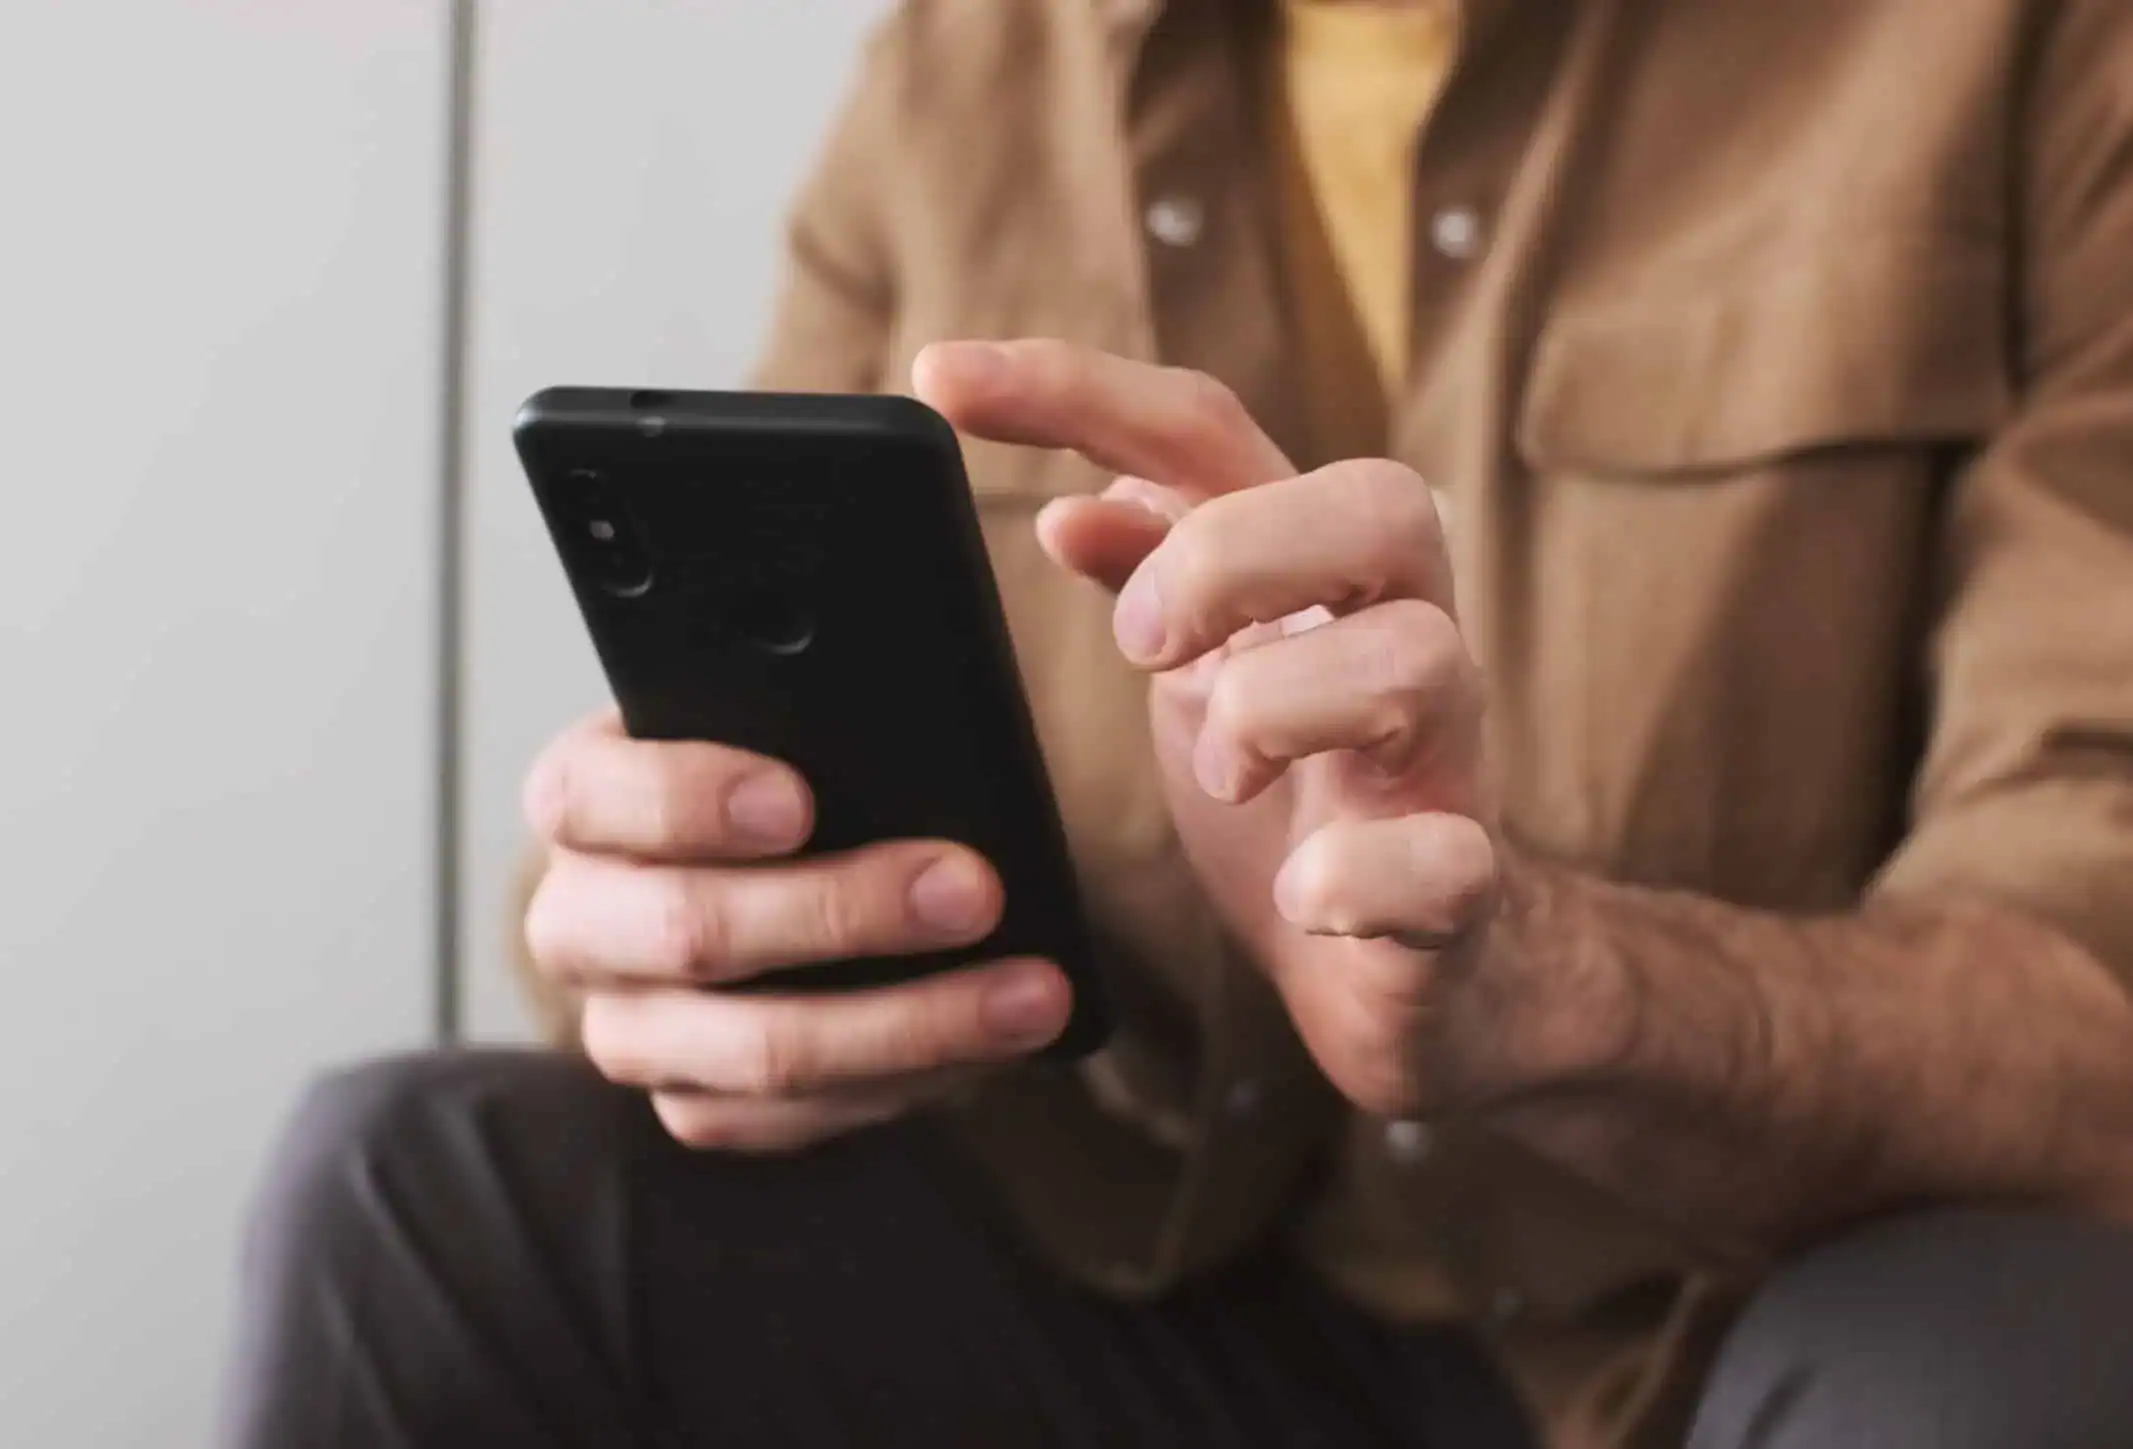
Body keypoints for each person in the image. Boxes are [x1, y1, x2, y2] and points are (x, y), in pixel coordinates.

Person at [221, 2, 2133, 1446]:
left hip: (1733, 1331)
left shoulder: (2032, 49)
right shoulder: (966, 62)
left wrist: (1549, 983)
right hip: (1150, 1290)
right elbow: (734, 776)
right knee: (405, 1188)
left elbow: (2089, 1028)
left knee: (2009, 1356)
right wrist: (670, 926)